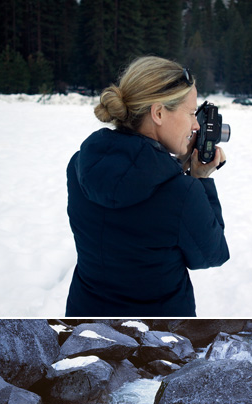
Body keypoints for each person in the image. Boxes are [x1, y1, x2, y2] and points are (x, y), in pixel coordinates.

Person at [65, 55, 229, 317]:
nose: (196, 124)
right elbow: (212, 254)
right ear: (159, 113)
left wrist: (173, 166)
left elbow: (133, 180)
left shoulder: (79, 166)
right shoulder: (182, 193)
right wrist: (201, 181)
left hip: (84, 313)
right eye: (190, 113)